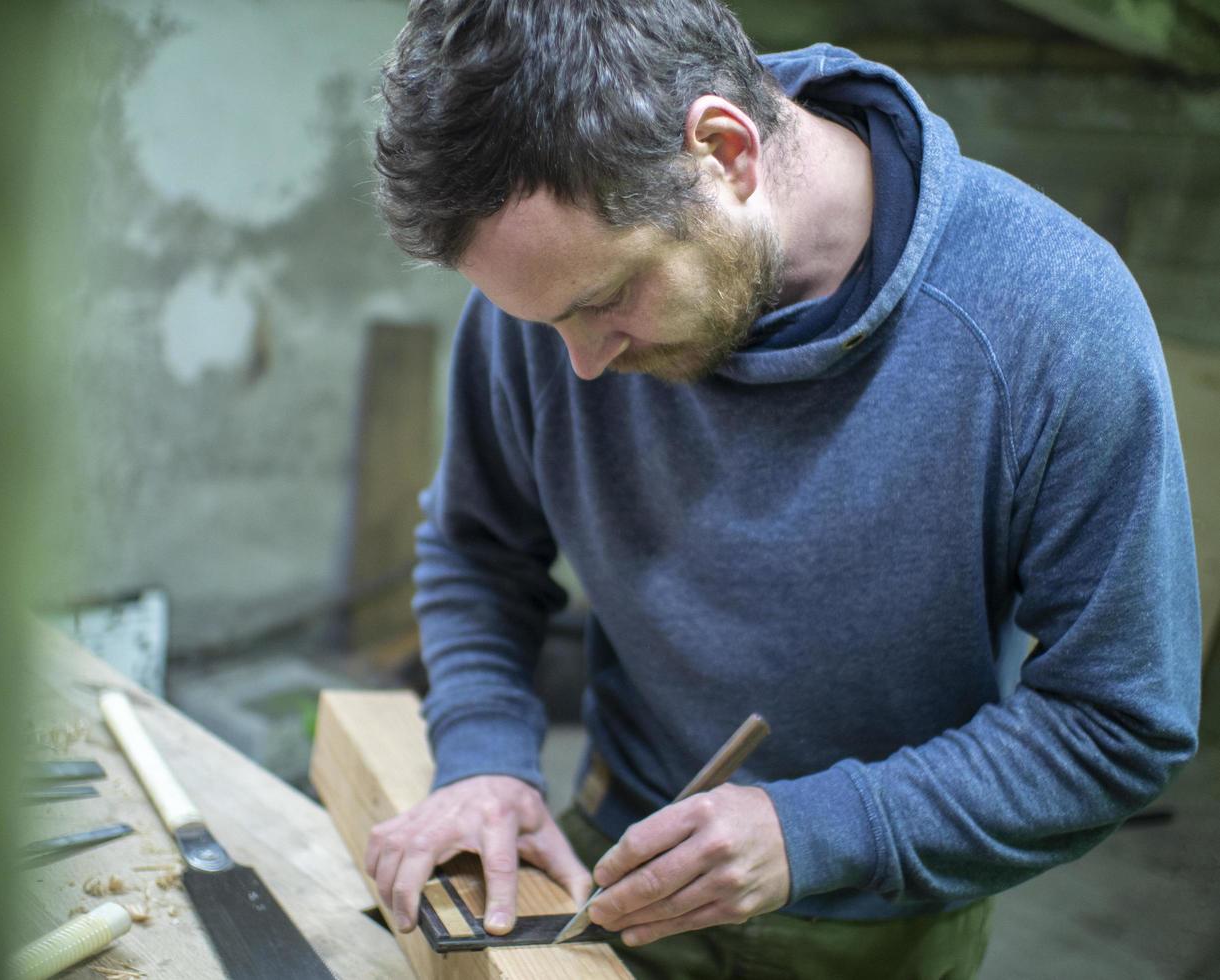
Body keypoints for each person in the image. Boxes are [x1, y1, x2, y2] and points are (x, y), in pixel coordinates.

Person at [360, 2, 1202, 977]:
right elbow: (476, 549)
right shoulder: (551, 299)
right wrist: (484, 756)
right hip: (608, 858)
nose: (581, 364)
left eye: (605, 300)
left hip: (876, 915)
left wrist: (823, 830)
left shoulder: (1053, 321)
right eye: (545, 319)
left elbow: (1118, 719)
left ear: (725, 152)